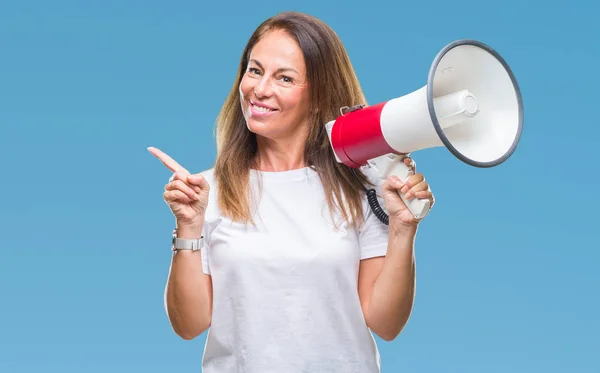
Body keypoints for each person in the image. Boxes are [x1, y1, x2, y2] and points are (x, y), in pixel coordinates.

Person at [148, 11, 435, 373]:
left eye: (284, 78)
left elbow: (386, 324)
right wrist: (188, 228)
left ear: (318, 95)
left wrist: (403, 228)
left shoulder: (360, 188)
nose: (260, 89)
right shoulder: (207, 192)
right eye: (255, 70)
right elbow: (188, 325)